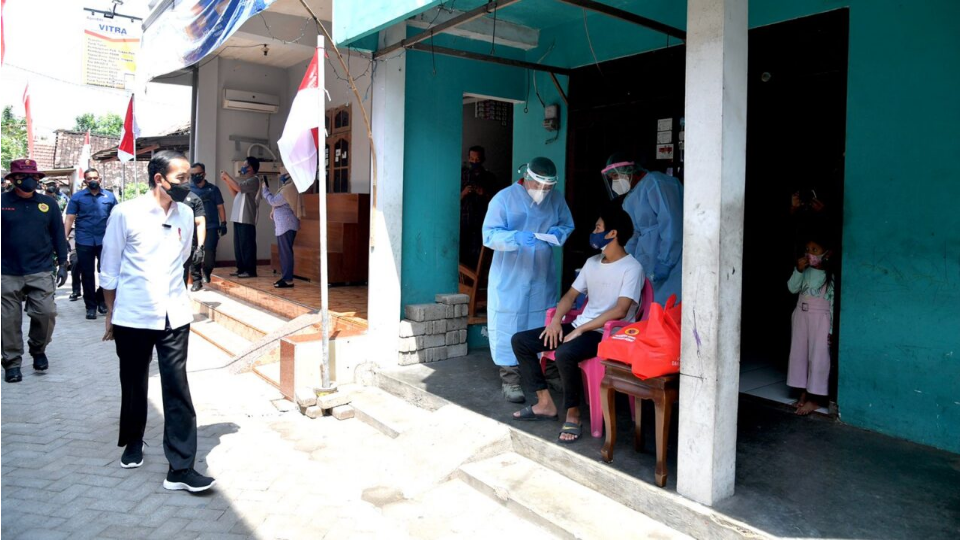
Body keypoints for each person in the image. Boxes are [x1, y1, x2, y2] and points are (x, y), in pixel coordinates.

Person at [99, 150, 215, 492]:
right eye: (181, 179)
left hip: (175, 314)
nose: (188, 185)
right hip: (133, 315)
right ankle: (133, 440)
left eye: (190, 178)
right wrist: (110, 313)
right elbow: (110, 266)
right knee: (134, 383)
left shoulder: (185, 213)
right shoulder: (126, 213)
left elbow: (181, 261)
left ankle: (181, 467)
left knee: (177, 387)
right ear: (158, 179)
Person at [511, 204, 642, 443]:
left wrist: (582, 328)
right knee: (521, 341)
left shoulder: (632, 268)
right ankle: (544, 402)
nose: (594, 231)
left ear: (613, 233)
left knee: (565, 353)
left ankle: (573, 413)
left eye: (598, 227)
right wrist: (556, 323)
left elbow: (621, 310)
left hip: (607, 333)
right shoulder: (593, 262)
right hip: (580, 327)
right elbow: (570, 296)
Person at [482, 156, 575, 403]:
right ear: (527, 179)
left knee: (544, 320)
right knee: (508, 322)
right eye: (540, 186)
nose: (544, 192)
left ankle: (550, 371)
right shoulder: (504, 199)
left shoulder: (556, 198)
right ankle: (510, 379)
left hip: (541, 272)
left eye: (549, 188)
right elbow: (489, 235)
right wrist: (515, 238)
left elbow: (566, 224)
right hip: (511, 273)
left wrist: (558, 233)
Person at [1, 159, 69, 383]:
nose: (30, 181)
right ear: (13, 180)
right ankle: (12, 362)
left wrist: (62, 264)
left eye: (34, 177)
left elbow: (59, 235)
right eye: (24, 177)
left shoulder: (47, 204)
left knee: (46, 313)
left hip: (40, 269)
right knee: (8, 321)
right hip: (7, 271)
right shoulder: (2, 203)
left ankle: (38, 349)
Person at [604, 153, 684, 304]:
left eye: (616, 176)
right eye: (612, 179)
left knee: (669, 305)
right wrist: (622, 261)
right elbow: (632, 235)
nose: (615, 182)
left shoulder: (656, 183)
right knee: (650, 306)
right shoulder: (630, 199)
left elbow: (671, 224)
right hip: (649, 260)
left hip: (671, 258)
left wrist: (666, 261)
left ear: (629, 170)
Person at [787, 235, 835, 416]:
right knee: (799, 354)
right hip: (801, 314)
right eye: (807, 250)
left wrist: (831, 330)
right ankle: (803, 392)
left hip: (820, 318)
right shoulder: (804, 271)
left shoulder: (830, 276)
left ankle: (815, 399)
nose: (809, 254)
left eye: (814, 250)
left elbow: (833, 304)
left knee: (819, 356)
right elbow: (792, 288)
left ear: (827, 253)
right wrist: (798, 271)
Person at [64, 168, 118, 319]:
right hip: (84, 240)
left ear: (100, 179)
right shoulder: (78, 197)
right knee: (87, 274)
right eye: (89, 178)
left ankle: (101, 300)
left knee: (106, 272)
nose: (93, 180)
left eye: (95, 177)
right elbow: (70, 218)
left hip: (105, 240)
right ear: (85, 181)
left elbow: (117, 218)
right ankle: (90, 306)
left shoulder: (110, 196)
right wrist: (64, 238)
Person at [220, 157, 262, 278]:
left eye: (245, 165)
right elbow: (235, 193)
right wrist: (226, 181)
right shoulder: (245, 182)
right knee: (238, 246)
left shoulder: (254, 180)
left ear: (252, 168)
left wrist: (228, 177)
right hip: (238, 217)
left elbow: (238, 187)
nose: (242, 167)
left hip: (246, 217)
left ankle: (250, 270)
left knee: (247, 245)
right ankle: (241, 269)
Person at [460, 145, 501, 266]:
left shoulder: (489, 177)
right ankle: (464, 280)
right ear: (468, 158)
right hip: (465, 220)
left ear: (482, 159)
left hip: (482, 220)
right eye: (472, 159)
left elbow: (497, 202)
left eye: (477, 160)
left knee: (480, 252)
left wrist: (484, 193)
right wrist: (464, 193)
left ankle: (477, 280)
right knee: (463, 250)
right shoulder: (462, 175)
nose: (474, 162)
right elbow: (451, 200)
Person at [188, 162, 227, 290]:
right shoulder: (188, 190)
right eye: (192, 174)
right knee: (195, 253)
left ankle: (207, 271)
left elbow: (220, 206)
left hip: (211, 226)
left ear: (204, 174)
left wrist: (223, 223)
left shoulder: (213, 189)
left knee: (209, 253)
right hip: (193, 227)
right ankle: (196, 280)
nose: (195, 177)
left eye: (198, 174)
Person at [262, 173, 303, 288]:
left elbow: (274, 201)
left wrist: (265, 190)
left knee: (286, 253)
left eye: (283, 173)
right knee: (284, 253)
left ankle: (288, 279)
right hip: (284, 225)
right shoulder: (287, 187)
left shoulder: (289, 188)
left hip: (287, 225)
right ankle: (285, 277)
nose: (280, 175)